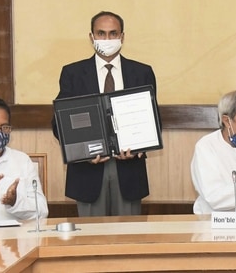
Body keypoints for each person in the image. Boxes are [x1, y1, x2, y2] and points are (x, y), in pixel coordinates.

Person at [52, 11, 161, 217]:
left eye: (113, 33)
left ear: (122, 37)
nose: (107, 39)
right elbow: (60, 123)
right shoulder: (72, 73)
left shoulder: (142, 72)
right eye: (101, 33)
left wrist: (140, 145)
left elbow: (153, 119)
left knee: (128, 242)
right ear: (91, 37)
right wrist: (84, 152)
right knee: (89, 243)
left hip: (128, 171)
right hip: (88, 172)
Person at [0, 97, 48, 221]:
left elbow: (42, 211)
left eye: (4, 127)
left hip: (16, 238)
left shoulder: (21, 160)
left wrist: (15, 202)